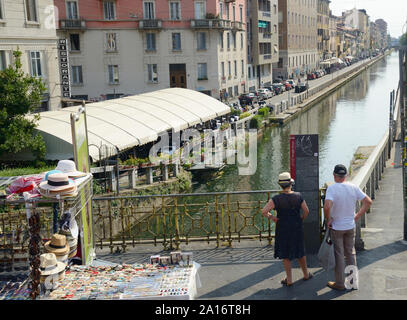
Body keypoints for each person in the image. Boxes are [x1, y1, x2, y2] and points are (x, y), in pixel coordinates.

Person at [323, 164, 372, 291]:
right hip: (350, 225)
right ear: (346, 176)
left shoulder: (332, 189)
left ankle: (339, 283)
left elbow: (327, 207)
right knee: (350, 253)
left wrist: (329, 219)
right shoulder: (353, 187)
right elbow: (368, 202)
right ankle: (352, 282)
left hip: (337, 227)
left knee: (339, 254)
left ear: (334, 175)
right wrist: (357, 216)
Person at [262, 172, 312, 286]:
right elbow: (306, 211)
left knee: (285, 253)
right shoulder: (298, 196)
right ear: (291, 183)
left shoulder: (276, 199)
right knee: (300, 250)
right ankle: (306, 274)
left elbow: (264, 211)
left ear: (280, 185)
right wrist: (300, 219)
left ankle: (289, 280)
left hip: (282, 226)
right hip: (296, 226)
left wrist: (273, 218)